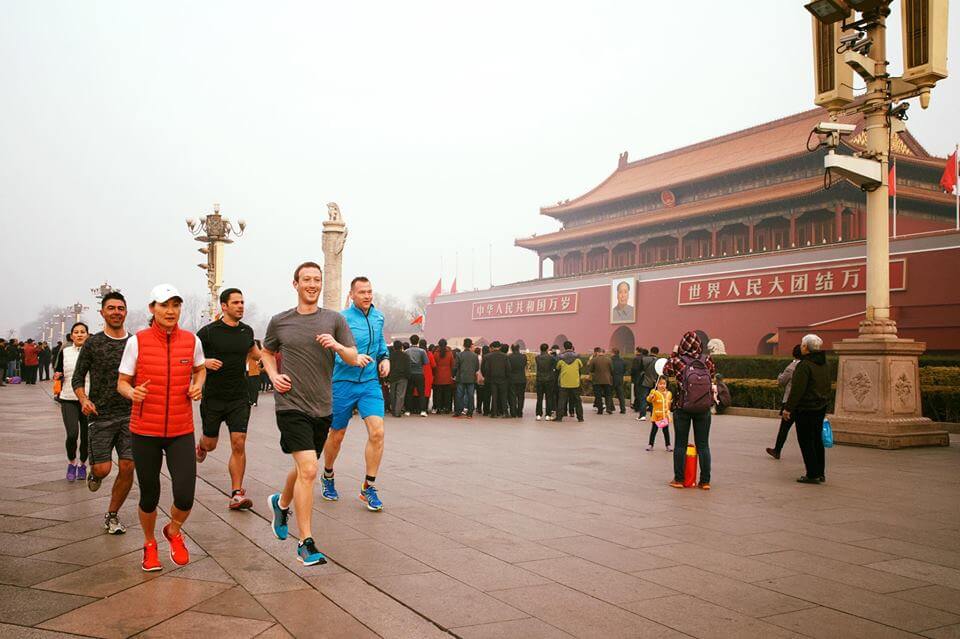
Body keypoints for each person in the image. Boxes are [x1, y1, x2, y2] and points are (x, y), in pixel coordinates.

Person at [261, 262, 361, 566]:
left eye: (317, 280)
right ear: (295, 284)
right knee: (308, 469)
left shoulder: (334, 320)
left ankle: (281, 502)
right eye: (307, 279)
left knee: (306, 466)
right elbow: (266, 351)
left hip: (323, 405)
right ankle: (305, 543)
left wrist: (336, 345)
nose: (313, 284)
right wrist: (274, 375)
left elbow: (353, 356)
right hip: (291, 404)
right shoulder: (280, 321)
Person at [117, 284, 206, 572]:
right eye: (164, 305)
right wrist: (132, 394)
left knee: (185, 494)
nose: (171, 311)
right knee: (150, 493)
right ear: (152, 308)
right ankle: (149, 544)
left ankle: (174, 530)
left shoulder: (191, 341)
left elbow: (200, 368)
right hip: (145, 430)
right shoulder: (137, 342)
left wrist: (197, 385)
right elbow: (122, 382)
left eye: (175, 305)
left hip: (181, 428)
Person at [322, 276, 389, 512]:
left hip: (370, 383)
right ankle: (328, 474)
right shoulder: (341, 319)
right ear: (352, 295)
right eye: (362, 292)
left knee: (377, 432)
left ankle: (368, 487)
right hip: (343, 382)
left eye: (370, 291)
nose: (367, 296)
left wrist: (385, 359)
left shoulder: (379, 316)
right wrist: (351, 358)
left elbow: (380, 344)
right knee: (337, 434)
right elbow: (333, 349)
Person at [71, 291, 134, 534]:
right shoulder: (93, 343)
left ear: (125, 311)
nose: (116, 312)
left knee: (128, 466)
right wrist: (84, 399)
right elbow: (77, 377)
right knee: (103, 469)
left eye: (120, 308)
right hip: (100, 415)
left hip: (130, 414)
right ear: (102, 312)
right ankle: (94, 474)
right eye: (111, 308)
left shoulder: (135, 342)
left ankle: (112, 515)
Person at [195, 288, 260, 511]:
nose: (241, 306)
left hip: (239, 397)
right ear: (224, 306)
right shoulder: (208, 333)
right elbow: (189, 357)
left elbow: (256, 353)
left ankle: (236, 494)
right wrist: (205, 363)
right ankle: (201, 446)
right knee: (211, 444)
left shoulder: (246, 331)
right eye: (236, 303)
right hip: (213, 397)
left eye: (242, 302)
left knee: (239, 442)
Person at [664, 332, 716, 490]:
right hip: (703, 408)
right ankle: (705, 481)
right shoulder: (706, 360)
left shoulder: (677, 360)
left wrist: (673, 354)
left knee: (680, 444)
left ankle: (679, 479)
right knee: (703, 445)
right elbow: (712, 375)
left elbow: (665, 372)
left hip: (683, 407)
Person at [783, 334, 830, 484]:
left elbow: (797, 390)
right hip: (820, 406)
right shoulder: (824, 363)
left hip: (806, 408)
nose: (802, 347)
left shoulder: (804, 365)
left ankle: (812, 473)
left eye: (803, 345)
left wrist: (788, 409)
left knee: (806, 440)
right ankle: (820, 472)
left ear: (806, 348)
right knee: (817, 439)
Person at [54, 323, 91, 481]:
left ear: (87, 335)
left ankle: (82, 464)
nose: (80, 334)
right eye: (76, 332)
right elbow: (59, 370)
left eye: (83, 332)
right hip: (68, 398)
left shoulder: (93, 353)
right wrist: (58, 375)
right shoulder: (65, 352)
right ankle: (71, 462)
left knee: (86, 436)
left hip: (88, 400)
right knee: (72, 434)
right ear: (71, 336)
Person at [767, 344, 802, 460]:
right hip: (805, 403)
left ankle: (777, 450)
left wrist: (779, 375)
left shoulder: (792, 367)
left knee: (784, 428)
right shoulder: (809, 366)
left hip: (790, 402)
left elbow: (782, 381)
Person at [555, 342, 584, 422]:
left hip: (564, 383)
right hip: (575, 383)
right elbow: (581, 365)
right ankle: (580, 417)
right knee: (577, 401)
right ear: (572, 347)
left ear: (564, 347)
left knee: (562, 401)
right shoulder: (577, 357)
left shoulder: (560, 357)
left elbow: (557, 367)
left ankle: (559, 417)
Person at [482, 341, 511, 418]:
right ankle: (505, 413)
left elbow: (485, 369)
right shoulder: (505, 356)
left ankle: (493, 413)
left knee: (494, 396)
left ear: (492, 347)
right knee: (503, 396)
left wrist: (486, 376)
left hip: (492, 379)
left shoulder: (487, 356)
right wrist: (507, 377)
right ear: (500, 347)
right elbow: (508, 368)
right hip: (503, 379)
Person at [645, 377, 673, 451]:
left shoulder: (669, 393)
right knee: (654, 430)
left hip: (665, 416)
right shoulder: (654, 392)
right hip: (656, 416)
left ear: (666, 384)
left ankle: (668, 445)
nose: (662, 385)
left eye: (664, 384)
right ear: (657, 384)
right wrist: (651, 397)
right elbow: (649, 399)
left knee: (666, 431)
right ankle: (650, 444)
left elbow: (669, 404)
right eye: (660, 384)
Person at [453, 338, 479, 418]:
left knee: (459, 395)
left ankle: (458, 412)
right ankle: (470, 413)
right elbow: (477, 368)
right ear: (471, 345)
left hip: (461, 378)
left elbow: (456, 367)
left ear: (464, 345)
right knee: (470, 395)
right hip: (471, 378)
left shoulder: (459, 355)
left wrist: (453, 375)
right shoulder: (475, 356)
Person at [404, 335, 429, 416]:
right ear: (418, 341)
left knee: (409, 393)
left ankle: (408, 410)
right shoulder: (422, 351)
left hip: (410, 374)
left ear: (410, 341)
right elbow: (426, 362)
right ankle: (423, 410)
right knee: (421, 393)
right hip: (419, 373)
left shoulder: (406, 351)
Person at [586, 347, 614, 415]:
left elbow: (591, 370)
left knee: (598, 396)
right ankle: (609, 409)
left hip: (597, 380)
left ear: (598, 352)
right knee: (608, 395)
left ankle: (600, 410)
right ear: (603, 352)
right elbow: (612, 369)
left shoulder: (594, 360)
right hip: (607, 380)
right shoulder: (609, 360)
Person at [388, 340, 410, 417]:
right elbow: (408, 367)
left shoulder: (390, 356)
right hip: (403, 377)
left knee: (392, 394)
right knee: (400, 395)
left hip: (392, 377)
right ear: (401, 347)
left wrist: (386, 378)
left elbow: (388, 367)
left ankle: (393, 410)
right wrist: (408, 376)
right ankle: (397, 412)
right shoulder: (406, 356)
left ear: (394, 347)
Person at [432, 339, 455, 414]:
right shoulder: (450, 353)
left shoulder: (435, 353)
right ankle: (447, 408)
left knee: (438, 393)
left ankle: (438, 408)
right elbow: (452, 365)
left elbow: (434, 365)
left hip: (438, 376)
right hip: (447, 376)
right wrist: (452, 374)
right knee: (447, 394)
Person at [534, 343, 556, 421]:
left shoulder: (537, 358)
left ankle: (538, 414)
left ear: (540, 349)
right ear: (547, 349)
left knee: (539, 398)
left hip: (539, 379)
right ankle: (548, 415)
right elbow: (554, 368)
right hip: (549, 380)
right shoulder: (551, 358)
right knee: (549, 398)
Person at [507, 343, 528, 418]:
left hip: (512, 379)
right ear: (519, 348)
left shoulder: (509, 357)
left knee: (512, 396)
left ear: (512, 349)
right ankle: (520, 412)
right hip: (522, 379)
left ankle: (513, 412)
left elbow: (508, 368)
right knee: (521, 396)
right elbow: (524, 365)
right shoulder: (524, 357)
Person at [611, 347, 627, 414]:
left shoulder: (610, 360)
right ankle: (623, 409)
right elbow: (625, 370)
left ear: (613, 353)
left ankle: (611, 407)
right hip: (620, 379)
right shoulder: (623, 361)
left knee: (609, 394)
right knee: (621, 395)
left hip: (612, 379)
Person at [476, 345, 490, 415]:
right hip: (487, 378)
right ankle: (486, 409)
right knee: (487, 395)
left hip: (479, 377)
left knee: (479, 394)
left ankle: (478, 408)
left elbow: (477, 369)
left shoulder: (479, 358)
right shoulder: (489, 358)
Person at [247, 340, 262, 406]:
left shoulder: (257, 353)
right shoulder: (247, 352)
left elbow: (260, 359)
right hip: (247, 371)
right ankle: (250, 399)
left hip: (254, 372)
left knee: (254, 387)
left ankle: (254, 401)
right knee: (249, 387)